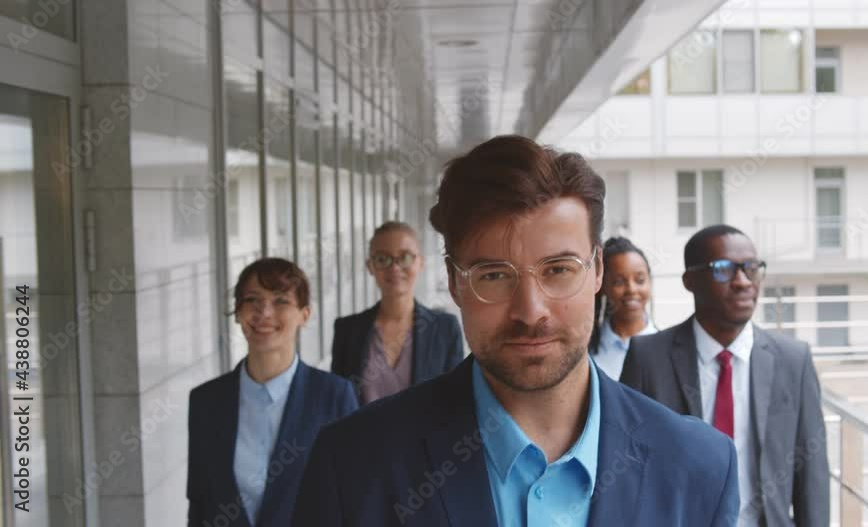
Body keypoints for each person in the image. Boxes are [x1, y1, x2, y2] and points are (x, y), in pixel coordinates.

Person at [293, 135, 739, 526]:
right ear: (453, 282)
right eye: (494, 275)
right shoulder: (353, 466)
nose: (531, 311)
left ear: (597, 269)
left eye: (559, 270)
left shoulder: (698, 468)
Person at [620, 225, 829, 527]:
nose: (743, 282)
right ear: (689, 281)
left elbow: (812, 475)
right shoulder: (648, 357)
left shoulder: (793, 361)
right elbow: (626, 469)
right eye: (723, 270)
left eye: (752, 269)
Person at [187, 258, 359, 527]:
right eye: (252, 300)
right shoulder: (205, 401)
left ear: (305, 314)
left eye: (281, 301)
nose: (264, 312)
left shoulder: (334, 397)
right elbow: (199, 503)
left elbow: (354, 500)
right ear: (237, 313)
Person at [330, 221, 464, 404]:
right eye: (382, 259)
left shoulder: (445, 329)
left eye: (405, 257)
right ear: (370, 266)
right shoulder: (348, 330)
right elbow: (338, 403)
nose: (394, 267)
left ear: (420, 263)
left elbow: (456, 402)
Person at [588, 236, 657, 380]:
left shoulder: (668, 349)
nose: (631, 289)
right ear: (603, 286)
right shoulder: (586, 352)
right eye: (618, 282)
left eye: (640, 280)